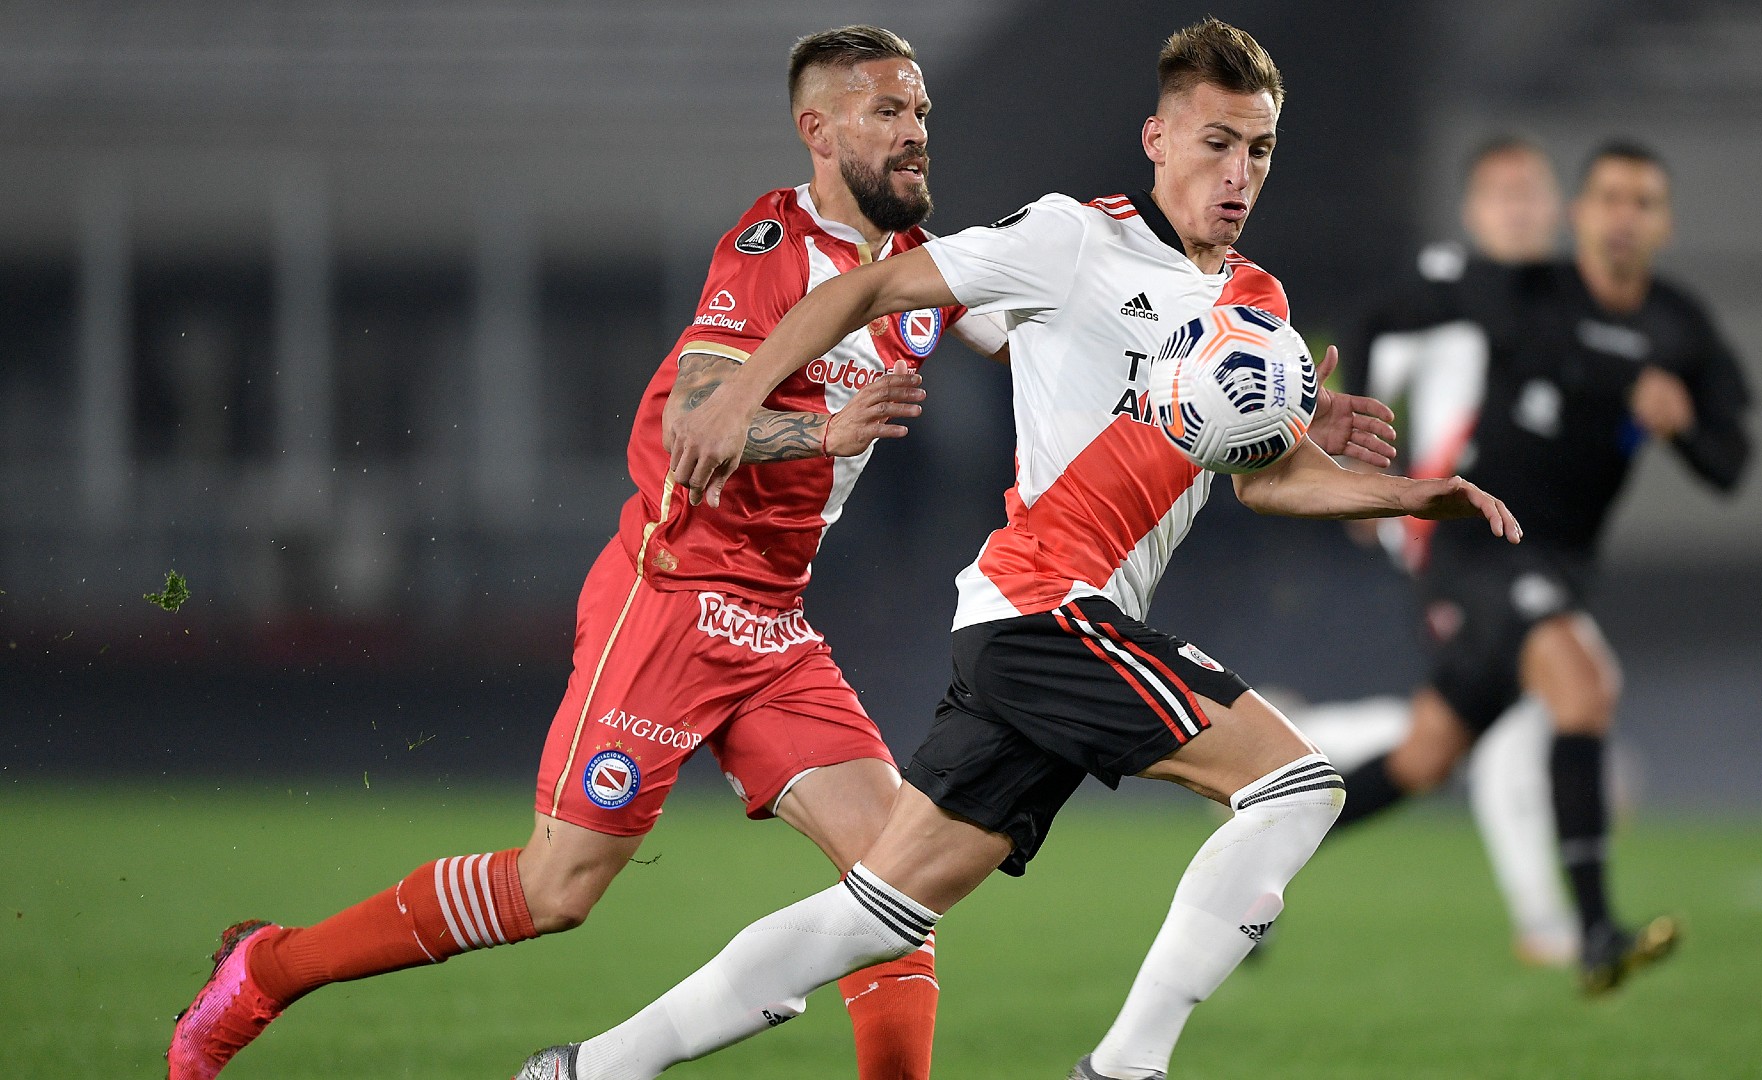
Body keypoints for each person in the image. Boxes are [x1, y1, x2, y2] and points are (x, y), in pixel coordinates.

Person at [514, 18, 1519, 1080]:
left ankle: (589, 1070)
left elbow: (1267, 481)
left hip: (1028, 627)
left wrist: (1399, 491)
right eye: (1216, 142)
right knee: (1297, 786)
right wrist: (745, 395)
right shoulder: (1070, 240)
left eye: (1259, 149)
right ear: (1157, 139)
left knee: (876, 915)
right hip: (1049, 606)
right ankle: (1126, 1069)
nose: (1239, 172)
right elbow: (865, 288)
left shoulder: (1256, 308)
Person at [167, 25, 1013, 1080]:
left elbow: (1051, 333)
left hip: (773, 621)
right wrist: (821, 432)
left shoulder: (919, 273)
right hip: (669, 601)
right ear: (818, 129)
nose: (914, 134)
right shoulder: (771, 252)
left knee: (898, 890)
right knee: (553, 891)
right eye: (886, 112)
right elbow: (698, 428)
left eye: (920, 112)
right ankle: (266, 969)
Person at [1328, 139, 1753, 994]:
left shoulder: (1680, 324)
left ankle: (1267, 832)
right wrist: (1360, 469)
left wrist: (1683, 429)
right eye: (1609, 198)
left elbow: (1730, 465)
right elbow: (1374, 318)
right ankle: (1595, 931)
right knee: (1584, 682)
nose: (1624, 216)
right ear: (1579, 214)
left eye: (1643, 201)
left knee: (1426, 756)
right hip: (1476, 540)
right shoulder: (1521, 290)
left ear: (1663, 222)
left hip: (1559, 562)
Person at [1293, 134, 1581, 967]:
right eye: (1505, 195)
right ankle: (1544, 921)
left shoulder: (1559, 301)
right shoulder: (1445, 289)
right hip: (1450, 532)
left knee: (1454, 729)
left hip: (1518, 541)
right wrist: (1353, 470)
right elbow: (1362, 357)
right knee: (1511, 719)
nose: (1522, 209)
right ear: (1474, 209)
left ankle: (1305, 750)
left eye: (1533, 193)